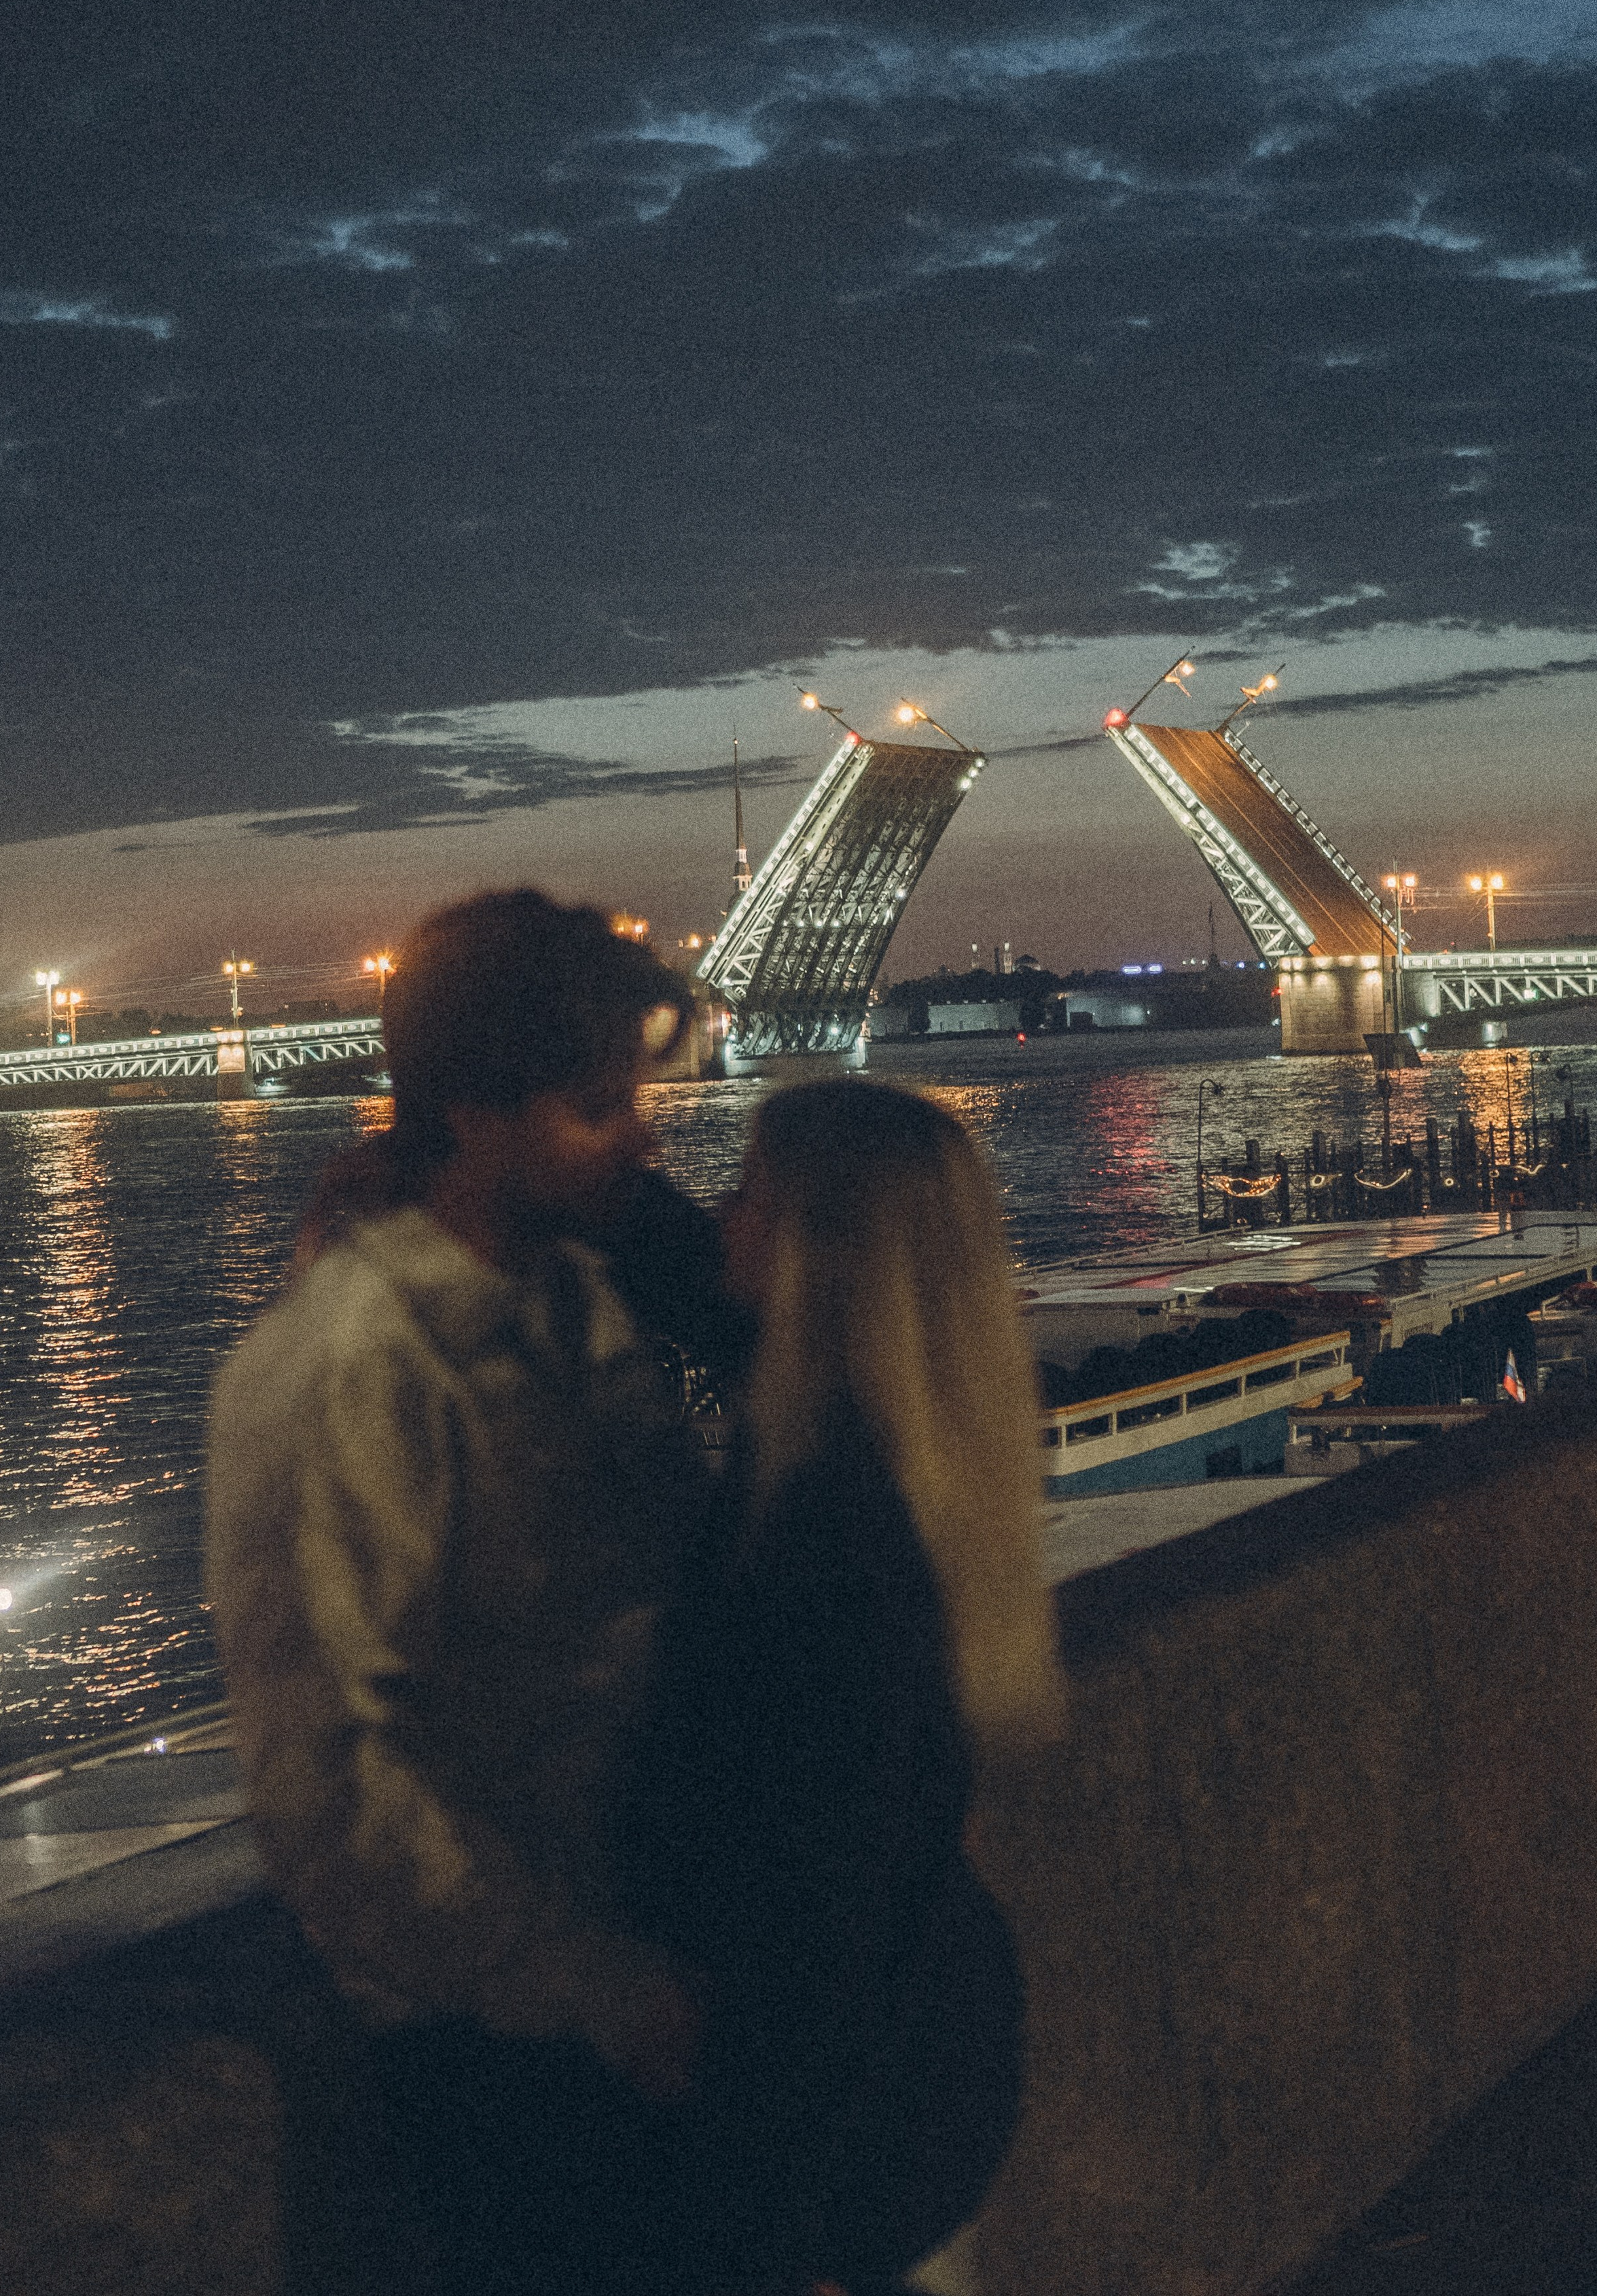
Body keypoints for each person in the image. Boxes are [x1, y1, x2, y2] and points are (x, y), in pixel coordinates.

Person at [207, 889, 715, 2295]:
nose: (643, 1140)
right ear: (476, 1113)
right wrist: (596, 1989)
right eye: (597, 1108)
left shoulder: (574, 1302)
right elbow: (328, 1777)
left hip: (627, 1989)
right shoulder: (344, 1366)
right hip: (503, 2053)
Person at [624, 1078, 1066, 2296]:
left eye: (750, 1194)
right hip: (931, 2073)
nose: (723, 1216)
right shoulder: (905, 1462)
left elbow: (818, 1931)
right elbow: (699, 1283)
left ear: (821, 1257)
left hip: (844, 2150)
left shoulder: (827, 1540)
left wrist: (778, 2242)